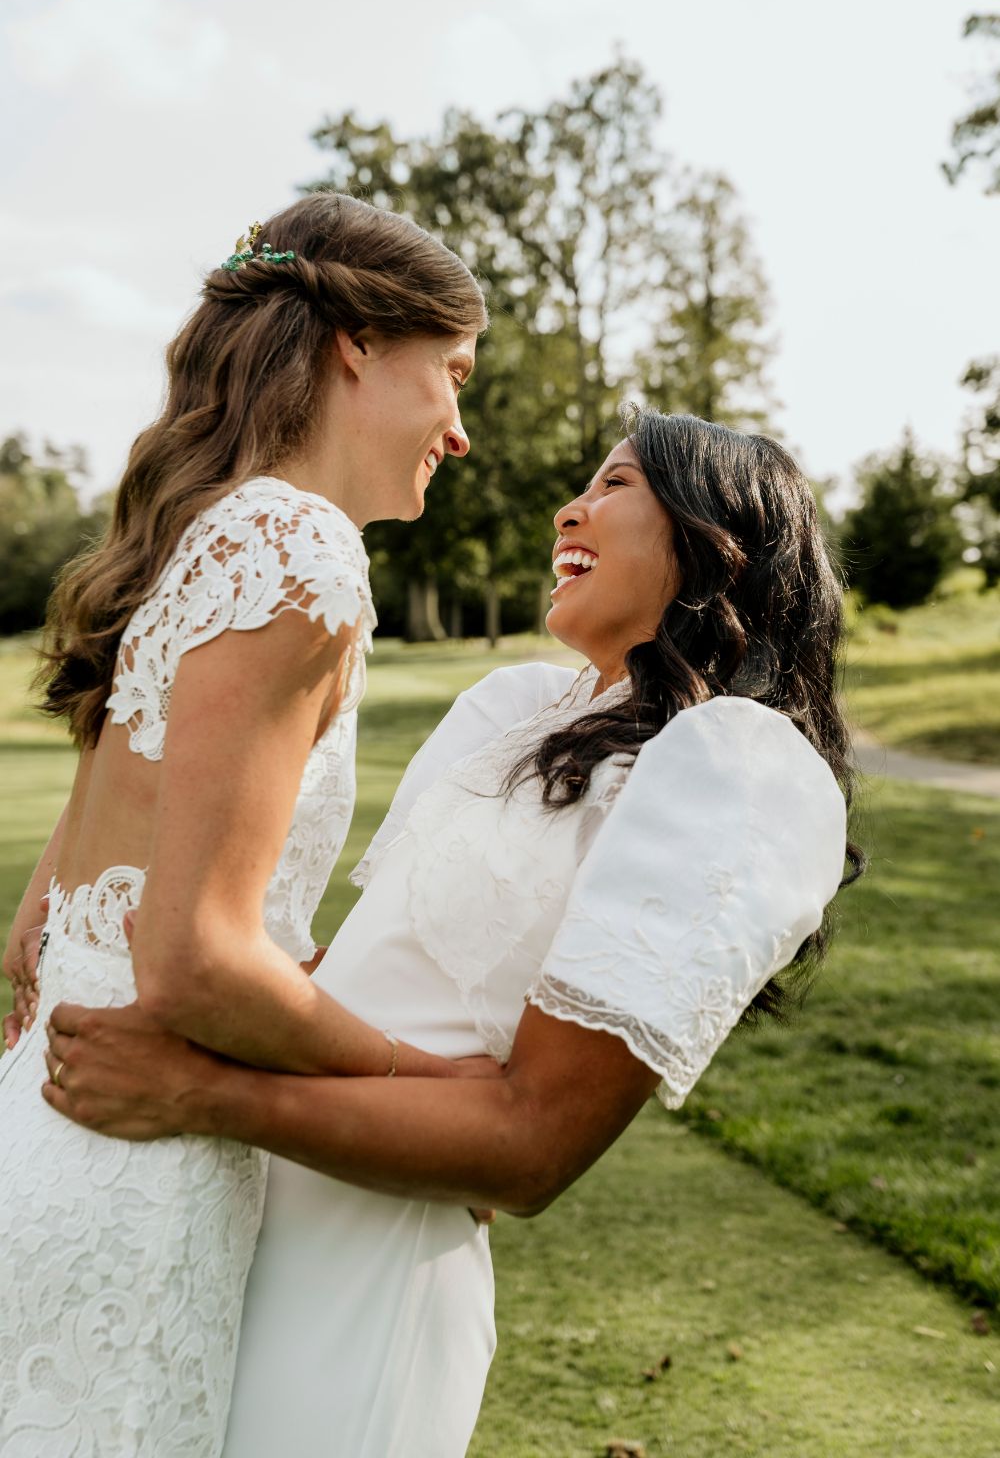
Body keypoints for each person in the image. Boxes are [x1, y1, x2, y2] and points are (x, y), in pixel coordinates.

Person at [37, 411, 862, 1458]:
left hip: (374, 1264)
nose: (571, 506)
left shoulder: (734, 766)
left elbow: (530, 1149)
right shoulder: (511, 708)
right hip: (238, 1214)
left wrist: (202, 1092)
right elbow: (357, 974)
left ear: (714, 539)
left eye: (615, 484)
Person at [0, 190, 489, 1456]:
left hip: (50, 1123)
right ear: (357, 347)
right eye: (453, 373)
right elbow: (195, 956)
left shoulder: (205, 535)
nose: (461, 427)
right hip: (131, 1175)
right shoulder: (296, 551)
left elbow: (47, 917)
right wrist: (430, 1090)